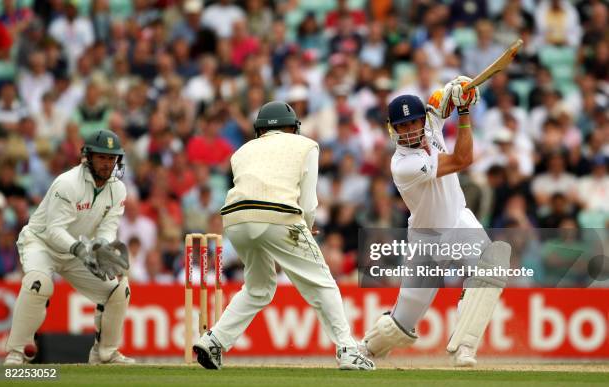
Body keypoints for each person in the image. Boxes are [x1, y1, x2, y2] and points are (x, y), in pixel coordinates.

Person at [193, 101, 375, 371]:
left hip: (234, 219)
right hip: (279, 215)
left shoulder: (241, 151)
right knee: (322, 282)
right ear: (293, 127)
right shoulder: (306, 146)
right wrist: (307, 229)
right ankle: (347, 349)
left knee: (258, 288)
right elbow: (309, 204)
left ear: (260, 129)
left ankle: (214, 340)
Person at [361, 77, 511, 367]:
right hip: (427, 239)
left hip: (459, 221)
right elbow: (462, 159)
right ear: (393, 129)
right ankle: (366, 349)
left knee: (492, 265)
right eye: (402, 126)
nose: (409, 130)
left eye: (413, 123)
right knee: (402, 323)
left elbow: (438, 101)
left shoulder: (430, 124)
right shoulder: (403, 165)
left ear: (421, 121)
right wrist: (464, 113)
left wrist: (458, 88)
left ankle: (465, 347)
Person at [4, 129, 132, 365]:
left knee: (118, 290)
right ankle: (17, 352)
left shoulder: (118, 189)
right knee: (38, 284)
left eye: (111, 158)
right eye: (102, 157)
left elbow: (107, 228)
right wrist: (82, 250)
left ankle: (105, 353)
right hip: (41, 242)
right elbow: (54, 231)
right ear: (88, 157)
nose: (107, 164)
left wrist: (100, 248)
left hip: (76, 251)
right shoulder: (67, 184)